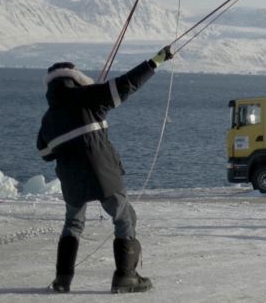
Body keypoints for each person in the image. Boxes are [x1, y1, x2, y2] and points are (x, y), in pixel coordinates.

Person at [37, 46, 174, 293]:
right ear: (75, 78)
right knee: (125, 218)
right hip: (103, 175)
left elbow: (44, 153)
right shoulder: (89, 97)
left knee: (73, 224)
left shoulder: (48, 118)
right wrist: (155, 62)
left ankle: (62, 280)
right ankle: (125, 276)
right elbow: (126, 84)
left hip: (72, 180)